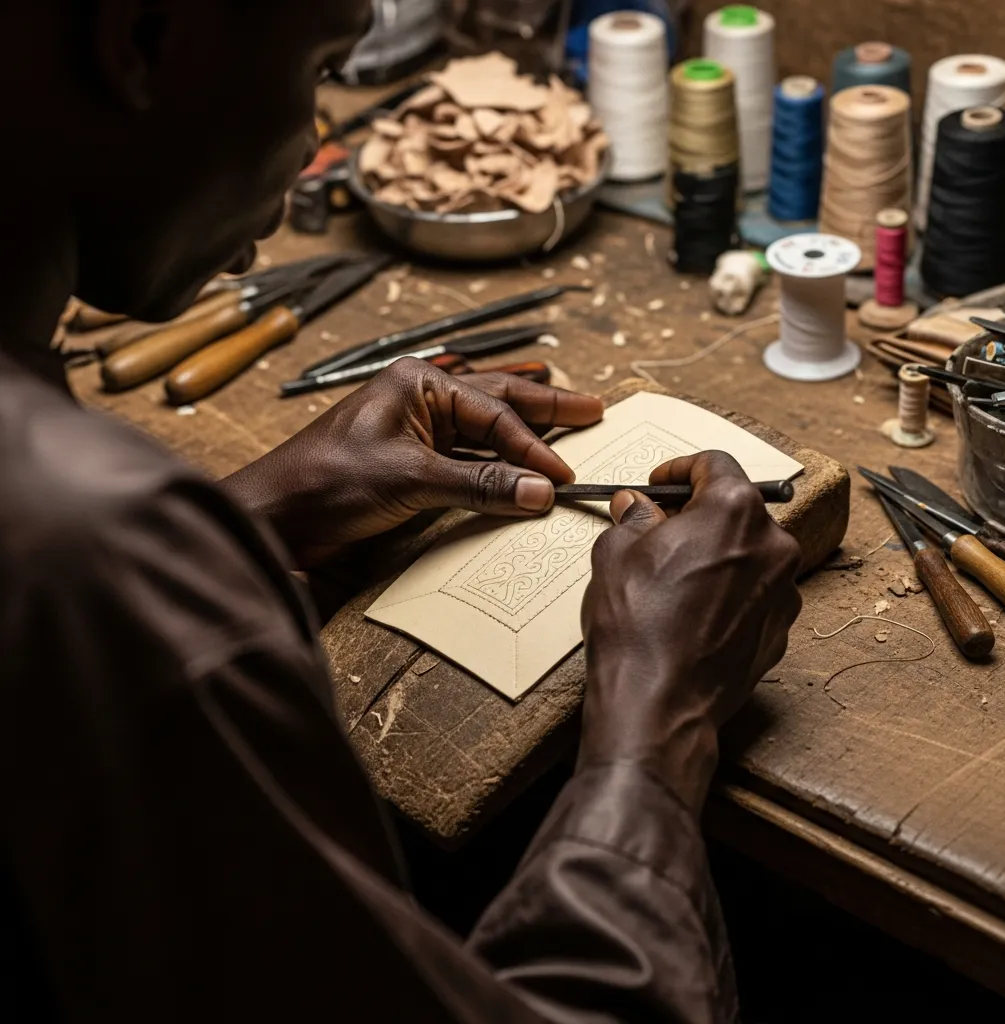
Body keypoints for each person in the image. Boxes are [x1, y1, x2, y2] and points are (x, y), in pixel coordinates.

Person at [0, 2, 802, 1021]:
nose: (312, 152)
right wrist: (657, 727)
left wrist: (243, 524)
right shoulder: (89, 553)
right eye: (323, 67)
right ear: (144, 41)